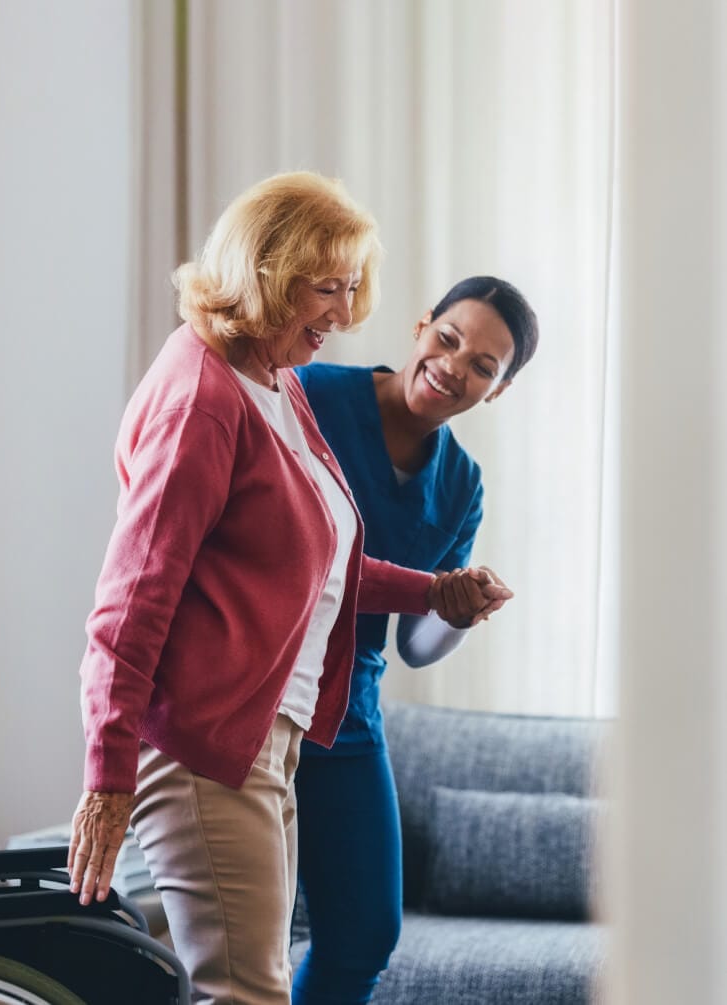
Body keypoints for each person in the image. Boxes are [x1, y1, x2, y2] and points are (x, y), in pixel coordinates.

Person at [67, 174, 513, 1005]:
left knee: (255, 983)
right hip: (209, 742)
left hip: (274, 733)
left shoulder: (271, 384)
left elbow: (324, 569)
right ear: (268, 268)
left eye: (351, 290)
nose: (344, 315)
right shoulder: (205, 394)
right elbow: (133, 600)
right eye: (326, 288)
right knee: (246, 992)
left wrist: (440, 594)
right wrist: (107, 775)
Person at [291, 275, 539, 1005]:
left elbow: (415, 646)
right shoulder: (307, 394)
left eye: (484, 366)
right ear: (421, 326)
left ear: (497, 390)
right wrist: (431, 589)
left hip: (348, 718)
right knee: (244, 937)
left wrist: (455, 612)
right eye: (449, 338)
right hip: (258, 689)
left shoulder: (461, 484)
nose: (455, 366)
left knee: (365, 935)